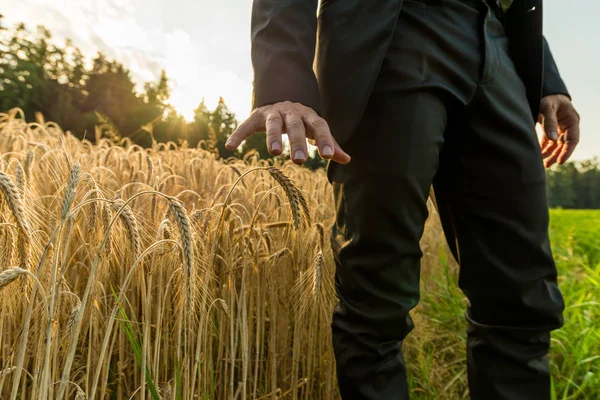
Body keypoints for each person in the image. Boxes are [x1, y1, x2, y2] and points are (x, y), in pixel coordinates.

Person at [225, 0, 581, 398]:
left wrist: (547, 79)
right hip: (389, 30)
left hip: (497, 42)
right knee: (377, 294)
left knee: (521, 296)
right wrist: (284, 82)